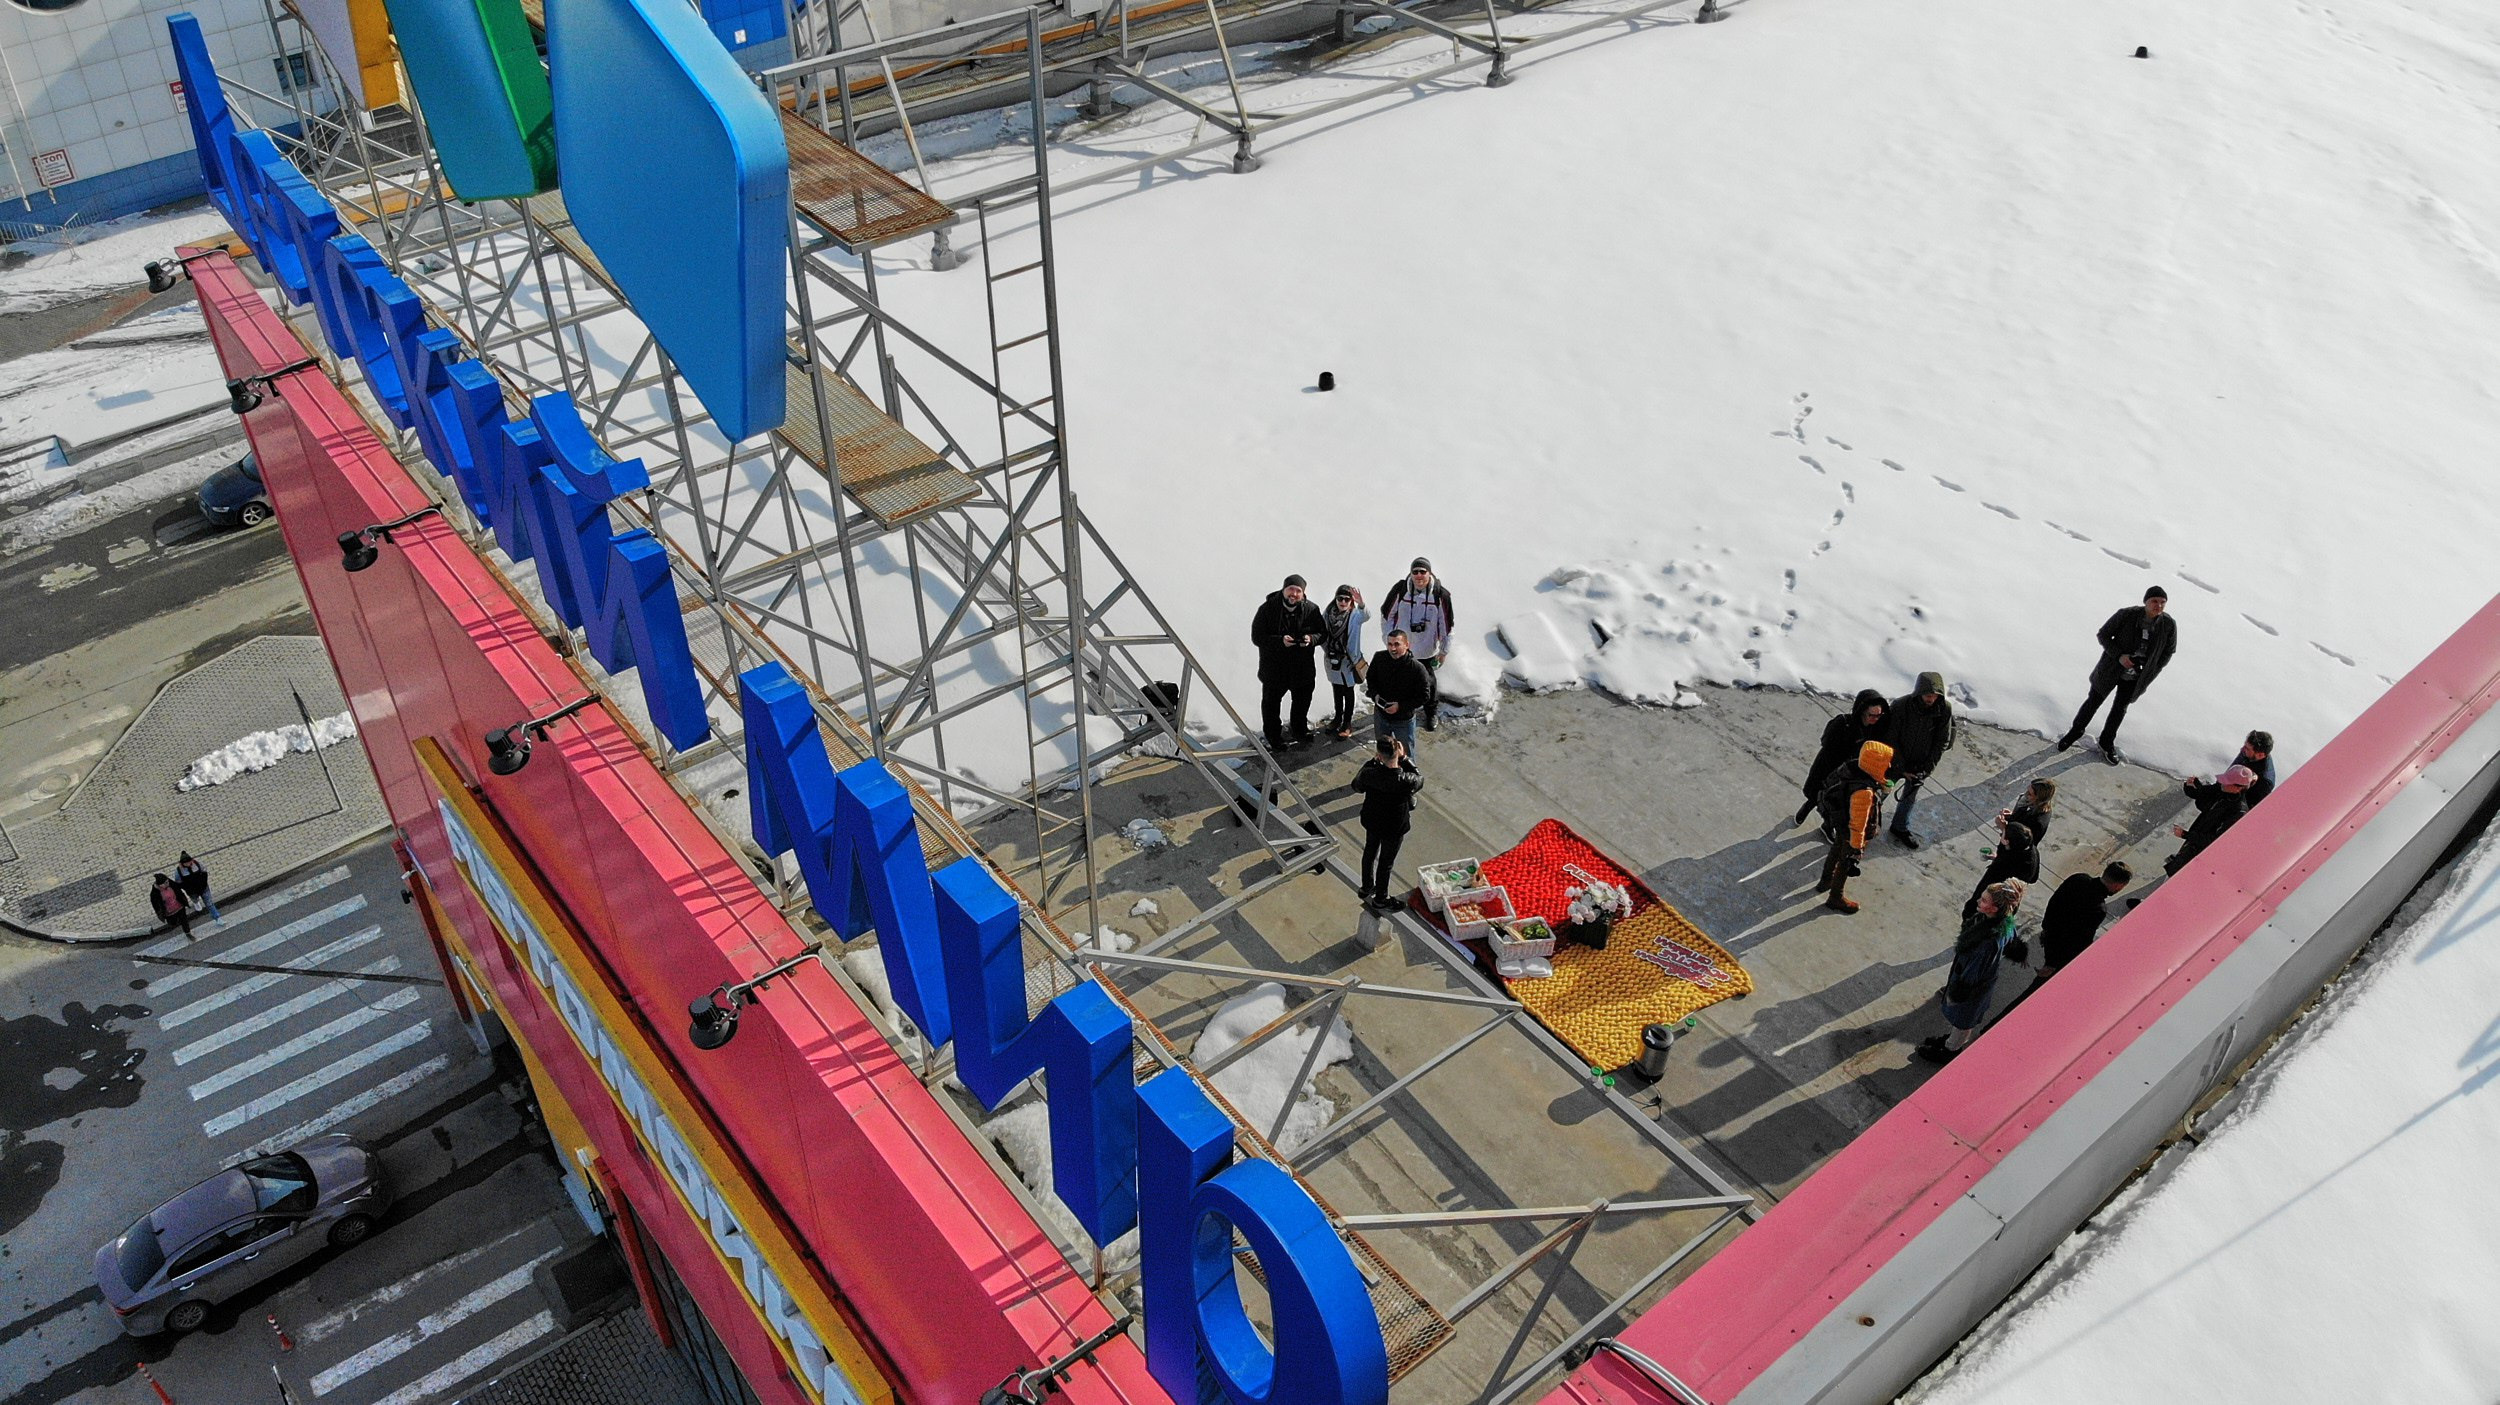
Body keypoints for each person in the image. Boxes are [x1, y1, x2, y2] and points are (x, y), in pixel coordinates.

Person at [2057, 587, 2178, 764]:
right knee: (2093, 701)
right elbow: (2103, 635)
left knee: (2119, 709)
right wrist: (2120, 656)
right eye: (2154, 601)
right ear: (2146, 601)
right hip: (2111, 669)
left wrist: (2153, 668)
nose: (2158, 606)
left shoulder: (2168, 624)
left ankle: (2106, 741)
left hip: (2137, 676)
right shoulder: (2127, 615)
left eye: (2162, 602)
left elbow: (2169, 650)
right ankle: (2075, 731)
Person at [1918, 880, 2026, 1063]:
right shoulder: (1999, 924)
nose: (1979, 901)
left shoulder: (1987, 941)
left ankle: (1951, 1049)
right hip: (1976, 982)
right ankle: (1952, 1041)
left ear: (1993, 908)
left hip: (1972, 988)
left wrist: (1958, 991)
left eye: (1984, 900)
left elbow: (1974, 972)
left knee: (1963, 1020)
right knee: (1962, 1019)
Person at [1814, 740, 1892, 915]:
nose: (1889, 765)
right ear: (1874, 765)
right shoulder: (1863, 792)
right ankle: (1835, 897)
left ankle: (1825, 881)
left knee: (1835, 850)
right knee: (1844, 863)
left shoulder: (1851, 771)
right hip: (1852, 833)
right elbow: (1858, 823)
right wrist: (1857, 847)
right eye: (1886, 762)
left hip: (1841, 826)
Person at [1251, 574, 1326, 751]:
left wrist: (1310, 638)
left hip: (1302, 669)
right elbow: (1257, 637)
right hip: (1274, 670)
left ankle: (1299, 729)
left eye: (1298, 591)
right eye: (1291, 589)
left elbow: (1322, 633)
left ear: (1303, 593)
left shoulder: (1312, 610)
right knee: (1271, 705)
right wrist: (1279, 641)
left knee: (1302, 702)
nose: (1294, 594)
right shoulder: (1267, 609)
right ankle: (1273, 736)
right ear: (1283, 590)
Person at [1883, 672, 1956, 848]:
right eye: (1928, 695)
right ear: (1919, 693)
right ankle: (1862, 824)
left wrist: (1926, 769)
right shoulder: (1901, 706)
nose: (1931, 699)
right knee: (1881, 793)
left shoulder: (1944, 708)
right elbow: (1890, 737)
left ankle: (1899, 827)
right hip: (1895, 761)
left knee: (1909, 798)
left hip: (1919, 763)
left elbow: (1941, 740)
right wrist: (1901, 768)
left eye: (1935, 696)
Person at [1380, 558, 1454, 731]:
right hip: (1402, 648)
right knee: (1399, 680)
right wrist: (1389, 639)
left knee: (1428, 683)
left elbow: (1447, 625)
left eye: (1423, 572)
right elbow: (1387, 616)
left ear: (1430, 573)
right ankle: (1399, 710)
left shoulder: (1440, 595)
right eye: (1415, 572)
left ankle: (1431, 712)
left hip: (1427, 648)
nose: (1419, 576)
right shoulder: (1401, 590)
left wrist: (1444, 650)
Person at [1794, 690, 1888, 826]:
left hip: (1849, 773)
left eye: (1878, 715)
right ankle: (1807, 808)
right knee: (1818, 794)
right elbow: (1826, 742)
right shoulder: (1842, 722)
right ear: (1862, 711)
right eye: (1871, 715)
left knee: (1838, 803)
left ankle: (1827, 826)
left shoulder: (1874, 730)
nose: (1875, 719)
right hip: (1828, 767)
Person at [1352, 738, 1424, 913]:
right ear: (1396, 753)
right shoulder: (1405, 780)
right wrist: (1405, 758)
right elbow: (1419, 779)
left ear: (1379, 754)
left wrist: (1372, 762)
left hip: (1373, 821)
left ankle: (1367, 886)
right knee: (1386, 862)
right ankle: (1381, 898)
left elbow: (1356, 785)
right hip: (1393, 827)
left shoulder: (1370, 774)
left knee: (1369, 851)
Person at [2038, 861, 2132, 975]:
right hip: (2061, 954)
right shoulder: (2098, 909)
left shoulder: (2078, 879)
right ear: (2118, 885)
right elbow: (2081, 941)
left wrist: (2046, 928)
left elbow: (2053, 903)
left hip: (2049, 934)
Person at [2166, 764, 2257, 873]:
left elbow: (2215, 841)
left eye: (2227, 782)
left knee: (2178, 876)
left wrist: (2186, 835)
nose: (2223, 783)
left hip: (2201, 854)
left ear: (2238, 788)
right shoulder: (2223, 791)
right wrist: (2192, 786)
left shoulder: (2238, 812)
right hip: (2193, 842)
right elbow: (2202, 799)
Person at [1367, 629, 1431, 753]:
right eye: (1390, 644)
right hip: (1381, 716)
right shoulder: (1379, 658)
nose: (1393, 649)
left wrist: (1400, 706)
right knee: (1383, 752)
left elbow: (1424, 696)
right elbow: (1370, 679)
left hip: (1403, 721)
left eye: (1397, 644)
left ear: (1407, 645)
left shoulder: (1417, 669)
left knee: (1406, 754)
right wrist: (1375, 695)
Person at [1963, 818, 2039, 920]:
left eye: (2003, 833)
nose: (2000, 834)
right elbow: (2033, 878)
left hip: (1989, 909)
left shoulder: (2005, 866)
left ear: (2006, 841)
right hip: (2007, 907)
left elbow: (1988, 889)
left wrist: (1971, 908)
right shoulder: (2032, 851)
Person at [1320, 585, 1369, 741]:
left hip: (1349, 661)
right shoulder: (1327, 614)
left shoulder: (1355, 615)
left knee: (1348, 690)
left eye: (1347, 599)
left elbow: (1366, 615)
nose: (1343, 602)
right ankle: (1337, 718)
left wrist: (1361, 603)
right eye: (1340, 598)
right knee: (1336, 689)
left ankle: (1347, 722)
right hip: (1333, 659)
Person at [2190, 730, 2276, 808]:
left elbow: (2249, 808)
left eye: (2247, 748)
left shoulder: (2264, 782)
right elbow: (2228, 778)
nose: (2242, 749)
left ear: (2260, 755)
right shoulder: (2247, 754)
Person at [173, 852, 222, 925]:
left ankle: (217, 918)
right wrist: (188, 889)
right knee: (195, 899)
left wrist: (204, 883)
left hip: (204, 888)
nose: (188, 864)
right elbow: (179, 882)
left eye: (189, 862)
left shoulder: (197, 864)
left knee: (209, 903)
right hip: (192, 892)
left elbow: (204, 873)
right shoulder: (179, 871)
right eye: (185, 863)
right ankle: (196, 902)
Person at [149, 873, 192, 939]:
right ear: (160, 885)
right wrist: (160, 914)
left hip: (180, 906)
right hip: (169, 912)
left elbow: (179, 889)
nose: (167, 883)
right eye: (165, 883)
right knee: (173, 922)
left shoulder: (171, 883)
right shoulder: (154, 893)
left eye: (167, 881)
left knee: (184, 920)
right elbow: (156, 905)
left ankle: (188, 933)